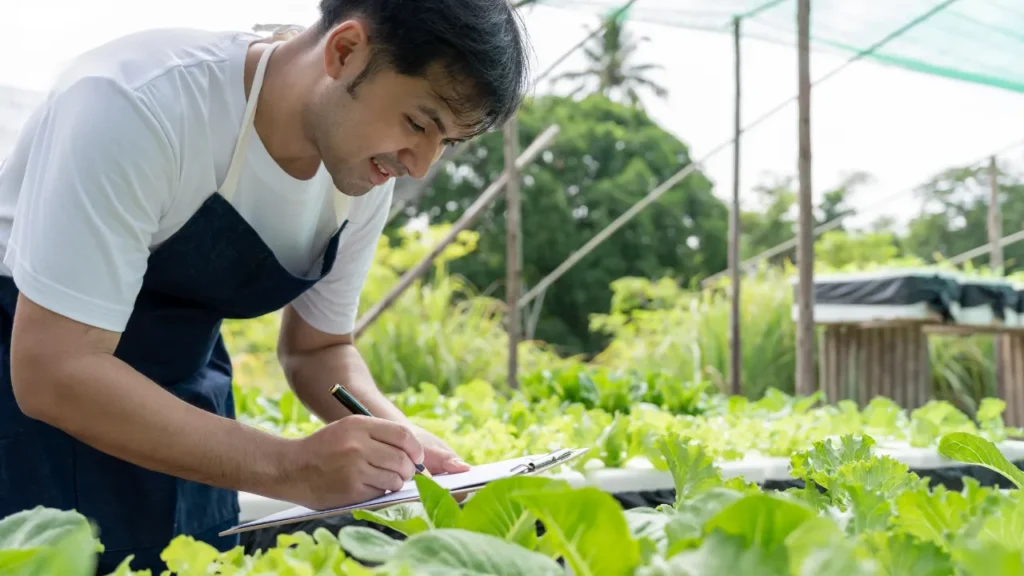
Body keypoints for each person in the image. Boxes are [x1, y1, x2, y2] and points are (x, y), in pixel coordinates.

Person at [0, 0, 531, 572]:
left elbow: (318, 351)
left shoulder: (362, 171)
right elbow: (53, 370)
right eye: (419, 124)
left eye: (447, 143)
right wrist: (292, 467)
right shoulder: (138, 104)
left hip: (189, 411)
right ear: (345, 51)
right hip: (29, 416)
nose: (421, 165)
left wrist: (402, 442)